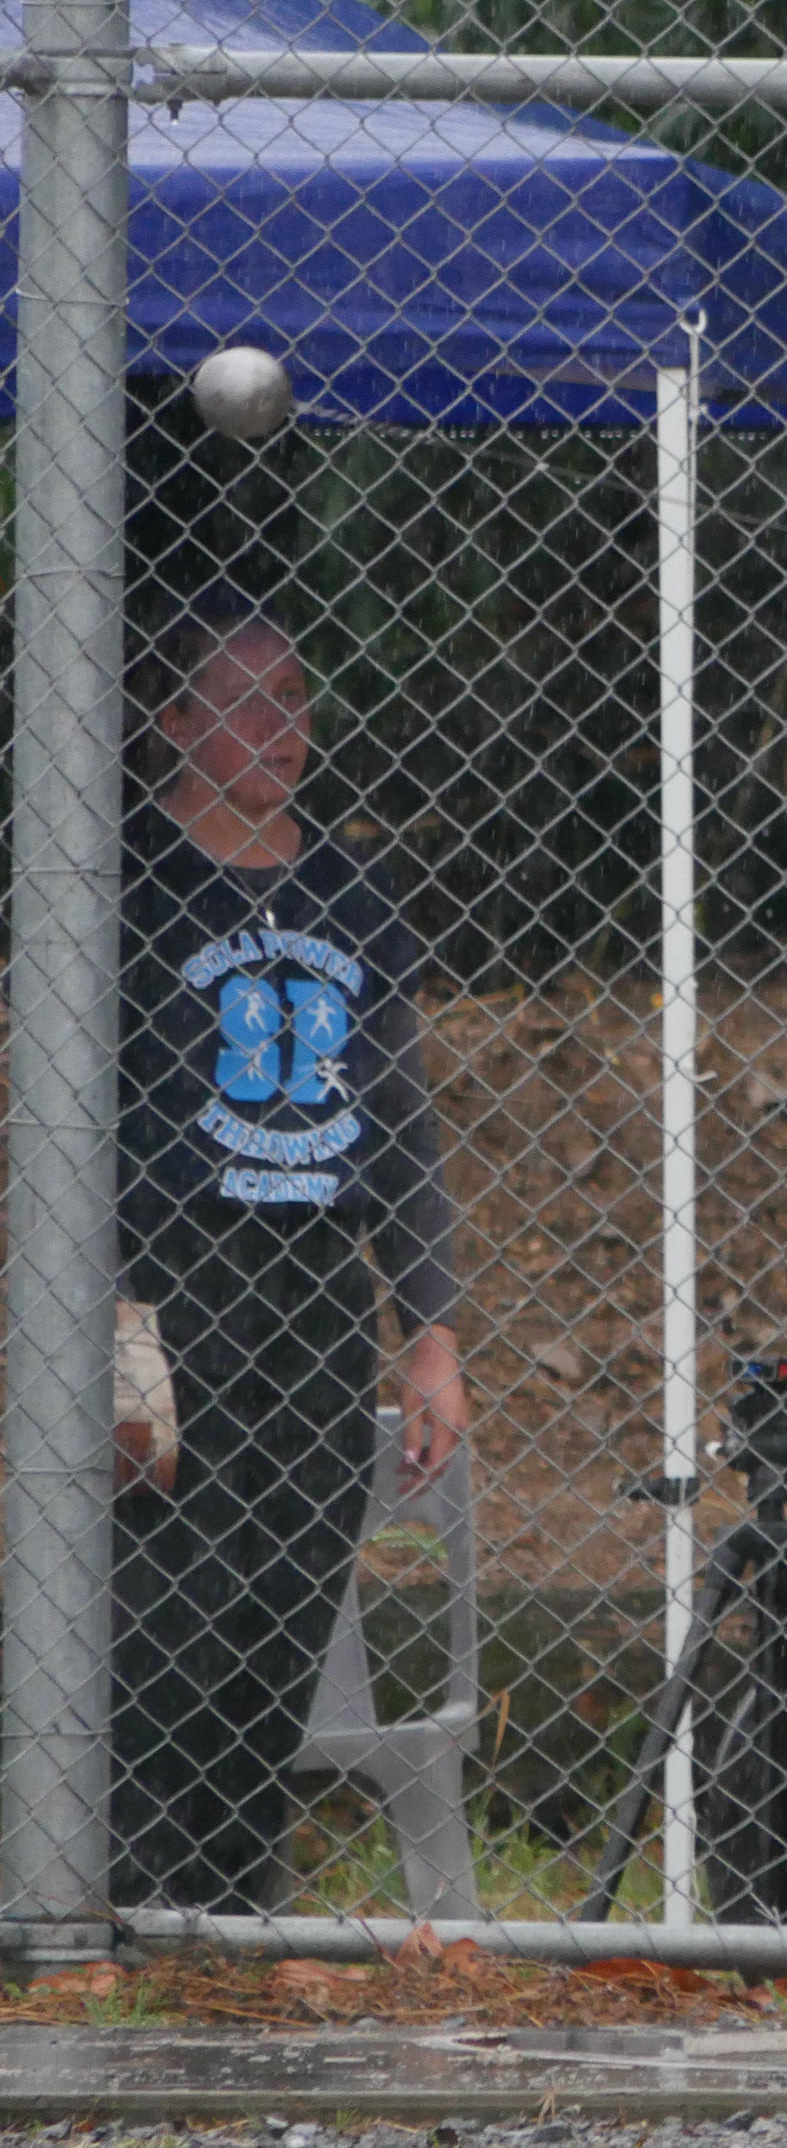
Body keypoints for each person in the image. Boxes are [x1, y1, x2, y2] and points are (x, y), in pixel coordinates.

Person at [113, 594, 467, 1912]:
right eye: (244, 701)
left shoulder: (353, 890)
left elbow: (402, 1122)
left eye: (295, 700)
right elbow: (63, 1106)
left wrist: (429, 1331)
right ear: (173, 722)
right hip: (171, 1275)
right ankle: (122, 1895)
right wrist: (106, 1311)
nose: (279, 726)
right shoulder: (123, 881)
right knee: (164, 1600)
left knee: (289, 1589)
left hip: (315, 1277)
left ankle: (234, 1907)